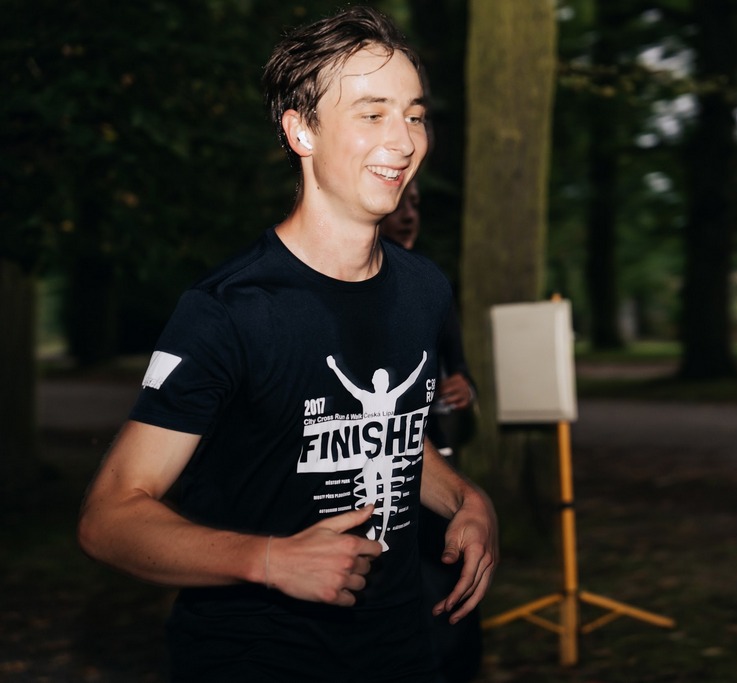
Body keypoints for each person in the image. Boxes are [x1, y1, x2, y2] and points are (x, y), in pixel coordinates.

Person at [76, 7, 498, 682]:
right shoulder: (228, 310)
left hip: (400, 651)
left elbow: (385, 434)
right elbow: (109, 516)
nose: (403, 140)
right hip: (255, 658)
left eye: (415, 115)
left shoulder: (424, 290)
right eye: (372, 114)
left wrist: (465, 500)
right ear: (301, 130)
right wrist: (268, 559)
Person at [380, 181, 482, 683]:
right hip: (376, 472)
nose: (409, 214)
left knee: (448, 589)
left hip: (436, 464)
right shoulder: (347, 288)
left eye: (416, 203)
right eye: (399, 202)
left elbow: (457, 372)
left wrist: (467, 390)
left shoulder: (431, 286)